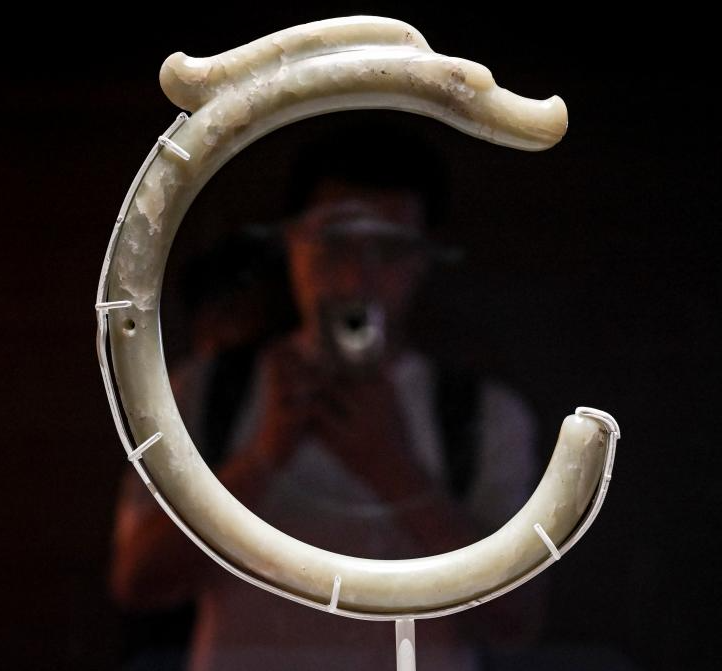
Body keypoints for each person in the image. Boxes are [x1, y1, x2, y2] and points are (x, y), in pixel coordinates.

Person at [110, 122, 546, 670]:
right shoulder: (205, 392)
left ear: (421, 259)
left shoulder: (482, 416)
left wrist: (394, 470)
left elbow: (515, 623)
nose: (357, 277)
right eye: (334, 244)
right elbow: (138, 581)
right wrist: (264, 455)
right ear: (292, 243)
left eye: (389, 250)